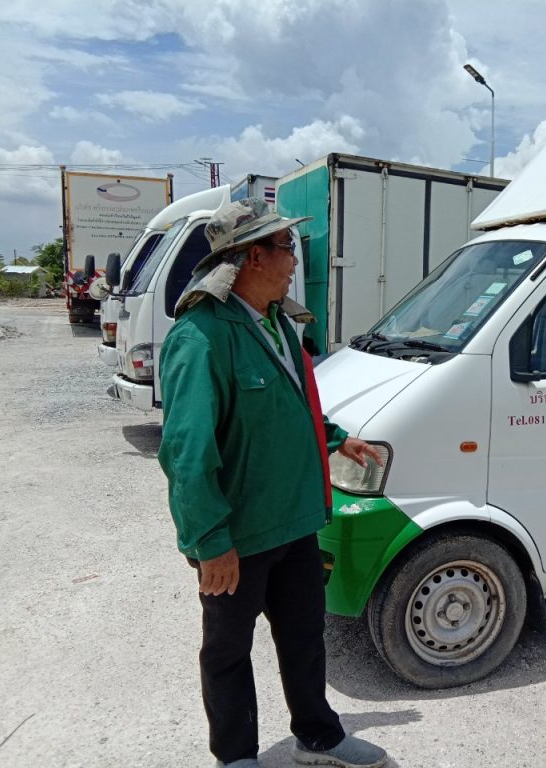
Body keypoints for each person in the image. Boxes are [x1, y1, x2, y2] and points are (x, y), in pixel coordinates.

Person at [157, 197, 388, 768]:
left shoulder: (281, 323)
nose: (295, 260)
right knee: (228, 652)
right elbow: (187, 454)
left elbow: (292, 405)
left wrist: (335, 438)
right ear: (253, 257)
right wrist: (210, 541)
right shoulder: (202, 336)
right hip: (239, 536)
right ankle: (236, 756)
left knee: (305, 639)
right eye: (287, 247)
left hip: (295, 521)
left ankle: (319, 737)